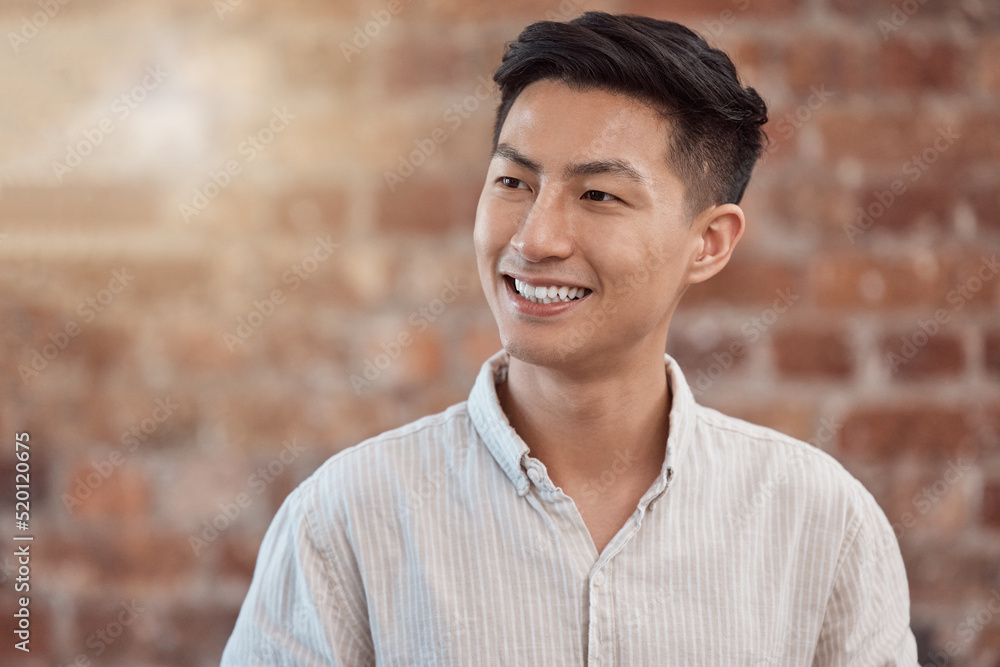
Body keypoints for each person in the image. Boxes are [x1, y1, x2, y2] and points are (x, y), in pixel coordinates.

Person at [222, 11, 918, 665]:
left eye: (598, 195)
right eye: (513, 181)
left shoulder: (821, 523)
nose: (534, 238)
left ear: (708, 242)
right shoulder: (344, 518)